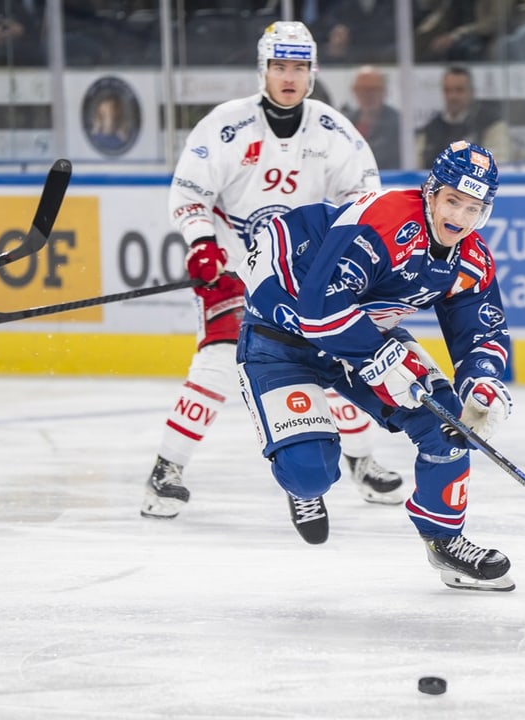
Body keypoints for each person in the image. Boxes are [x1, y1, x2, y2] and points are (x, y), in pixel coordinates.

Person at [141, 20, 404, 519]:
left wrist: (346, 257)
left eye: (299, 66)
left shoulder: (332, 131)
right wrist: (201, 245)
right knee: (219, 359)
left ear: (313, 71)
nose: (289, 76)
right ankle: (166, 469)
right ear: (263, 69)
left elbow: (363, 202)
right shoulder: (227, 125)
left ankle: (363, 460)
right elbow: (190, 192)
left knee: (333, 357)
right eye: (279, 66)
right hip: (232, 267)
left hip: (299, 274)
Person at [234, 139, 515, 591]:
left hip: (360, 330)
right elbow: (318, 312)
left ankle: (446, 541)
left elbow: (480, 331)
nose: (460, 218)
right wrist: (382, 360)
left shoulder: (471, 257)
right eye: (453, 201)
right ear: (432, 192)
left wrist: (481, 380)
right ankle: (300, 484)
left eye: (474, 208)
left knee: (449, 421)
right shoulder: (384, 221)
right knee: (311, 473)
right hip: (282, 332)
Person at [416, 66, 511, 169]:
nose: (453, 96)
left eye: (459, 90)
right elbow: (416, 168)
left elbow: (499, 166)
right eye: (448, 90)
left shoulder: (491, 125)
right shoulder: (431, 130)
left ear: (472, 92)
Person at [343, 66, 401, 170]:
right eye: (362, 90)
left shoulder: (397, 123)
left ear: (384, 91)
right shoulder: (346, 123)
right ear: (354, 91)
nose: (368, 95)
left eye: (373, 90)